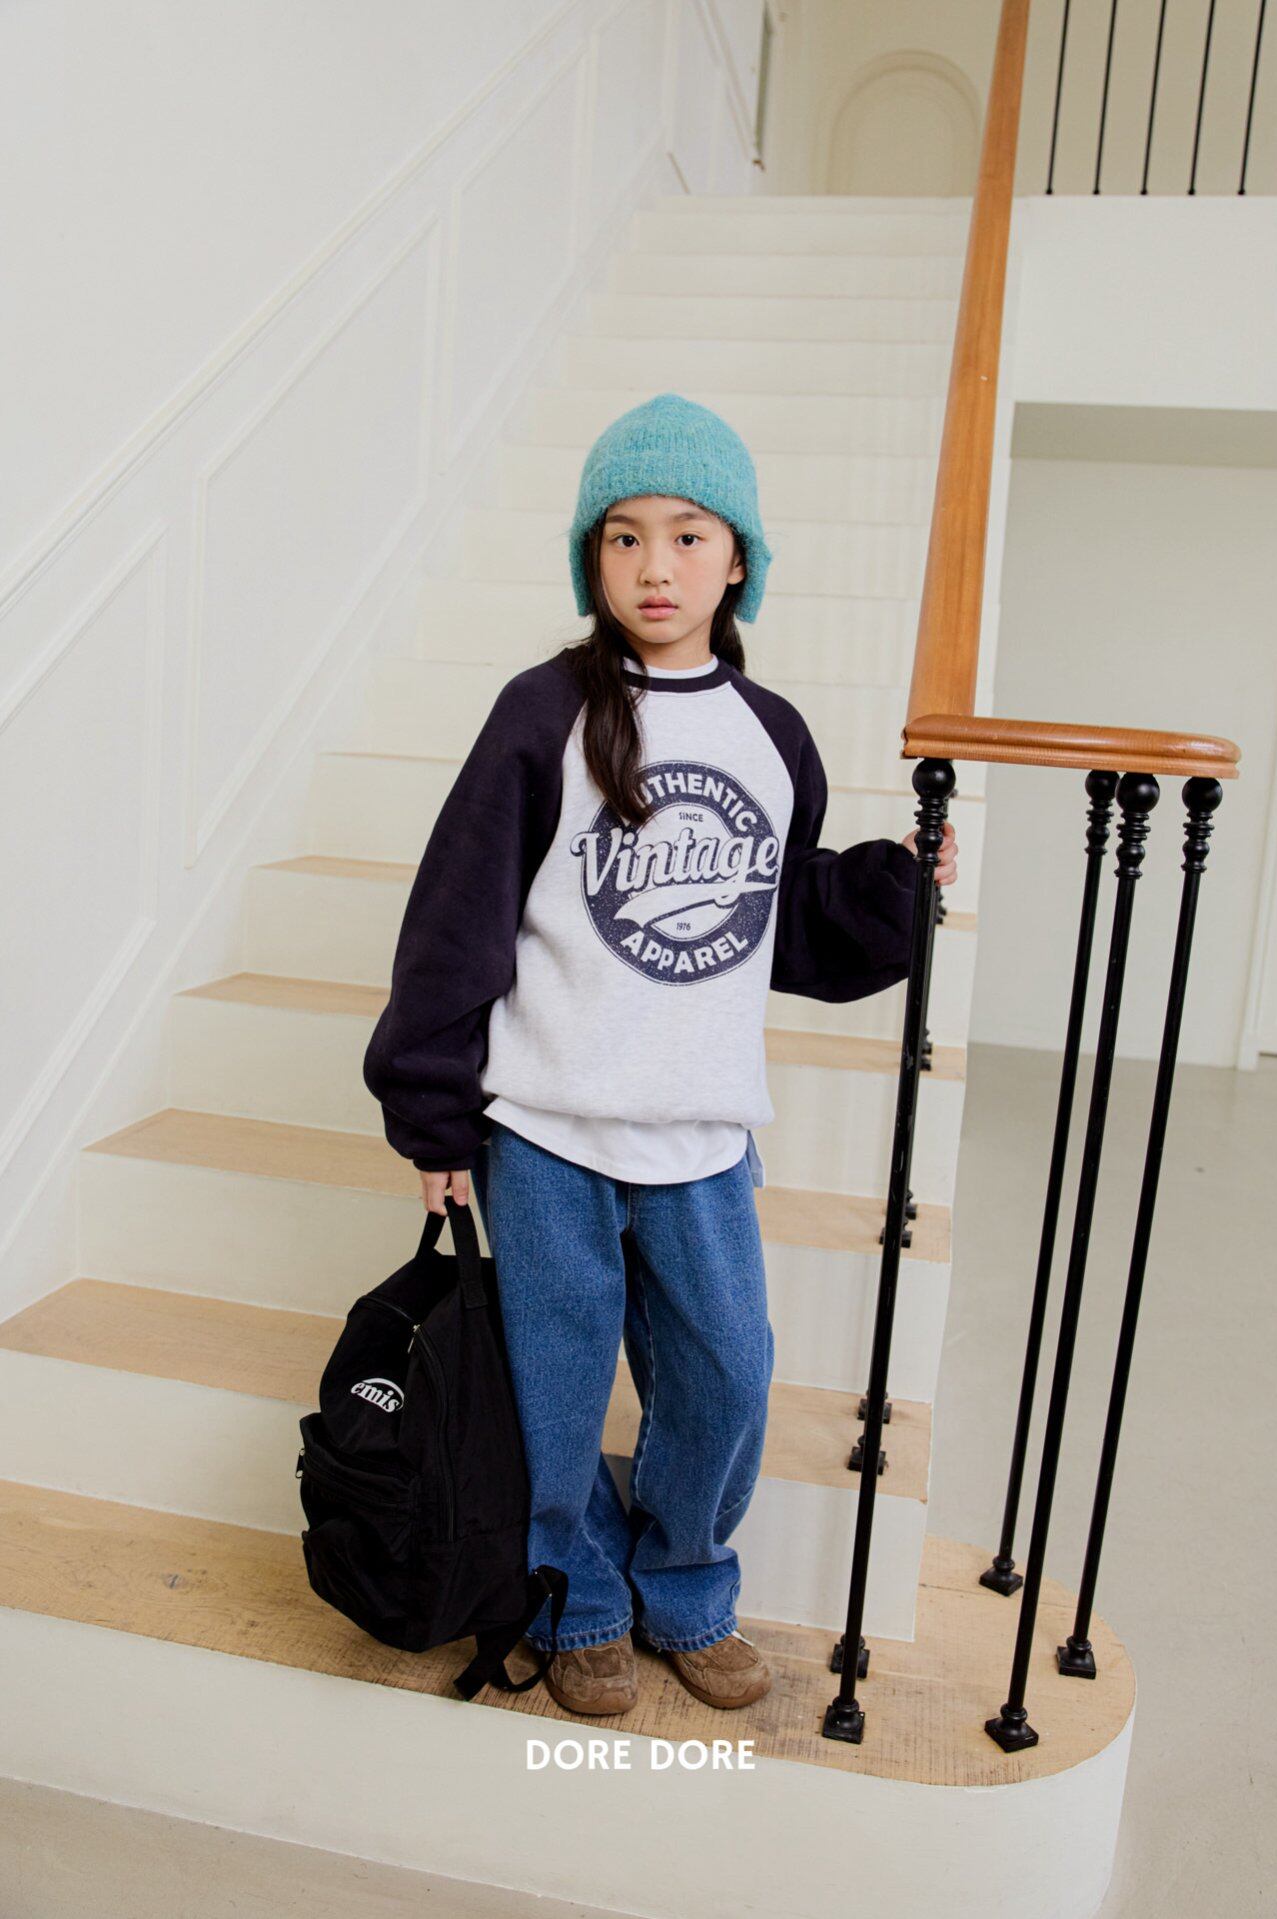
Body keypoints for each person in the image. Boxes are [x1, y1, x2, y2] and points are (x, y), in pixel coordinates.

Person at [363, 392, 958, 1718]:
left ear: (738, 560)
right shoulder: (540, 714)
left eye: (688, 536)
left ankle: (685, 1581)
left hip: (699, 1134)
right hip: (548, 1132)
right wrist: (436, 1120)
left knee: (725, 1377)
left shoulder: (772, 733)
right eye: (623, 537)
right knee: (553, 1393)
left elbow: (774, 925)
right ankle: (576, 1597)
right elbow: (457, 920)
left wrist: (890, 893)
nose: (655, 566)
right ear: (593, 559)